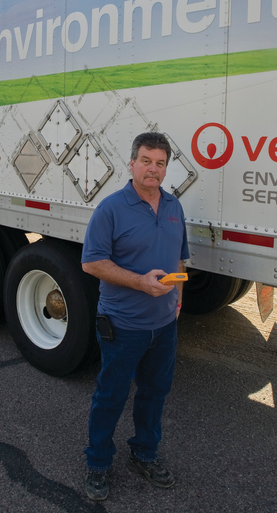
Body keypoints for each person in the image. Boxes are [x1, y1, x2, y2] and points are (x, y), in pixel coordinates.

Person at [80, 131, 189, 501]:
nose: (152, 169)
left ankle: (144, 455)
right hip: (123, 326)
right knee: (110, 395)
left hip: (163, 327)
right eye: (146, 161)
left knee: (154, 394)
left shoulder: (174, 207)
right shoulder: (111, 208)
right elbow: (92, 262)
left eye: (160, 163)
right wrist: (140, 283)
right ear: (132, 163)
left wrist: (177, 303)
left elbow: (178, 260)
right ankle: (97, 464)